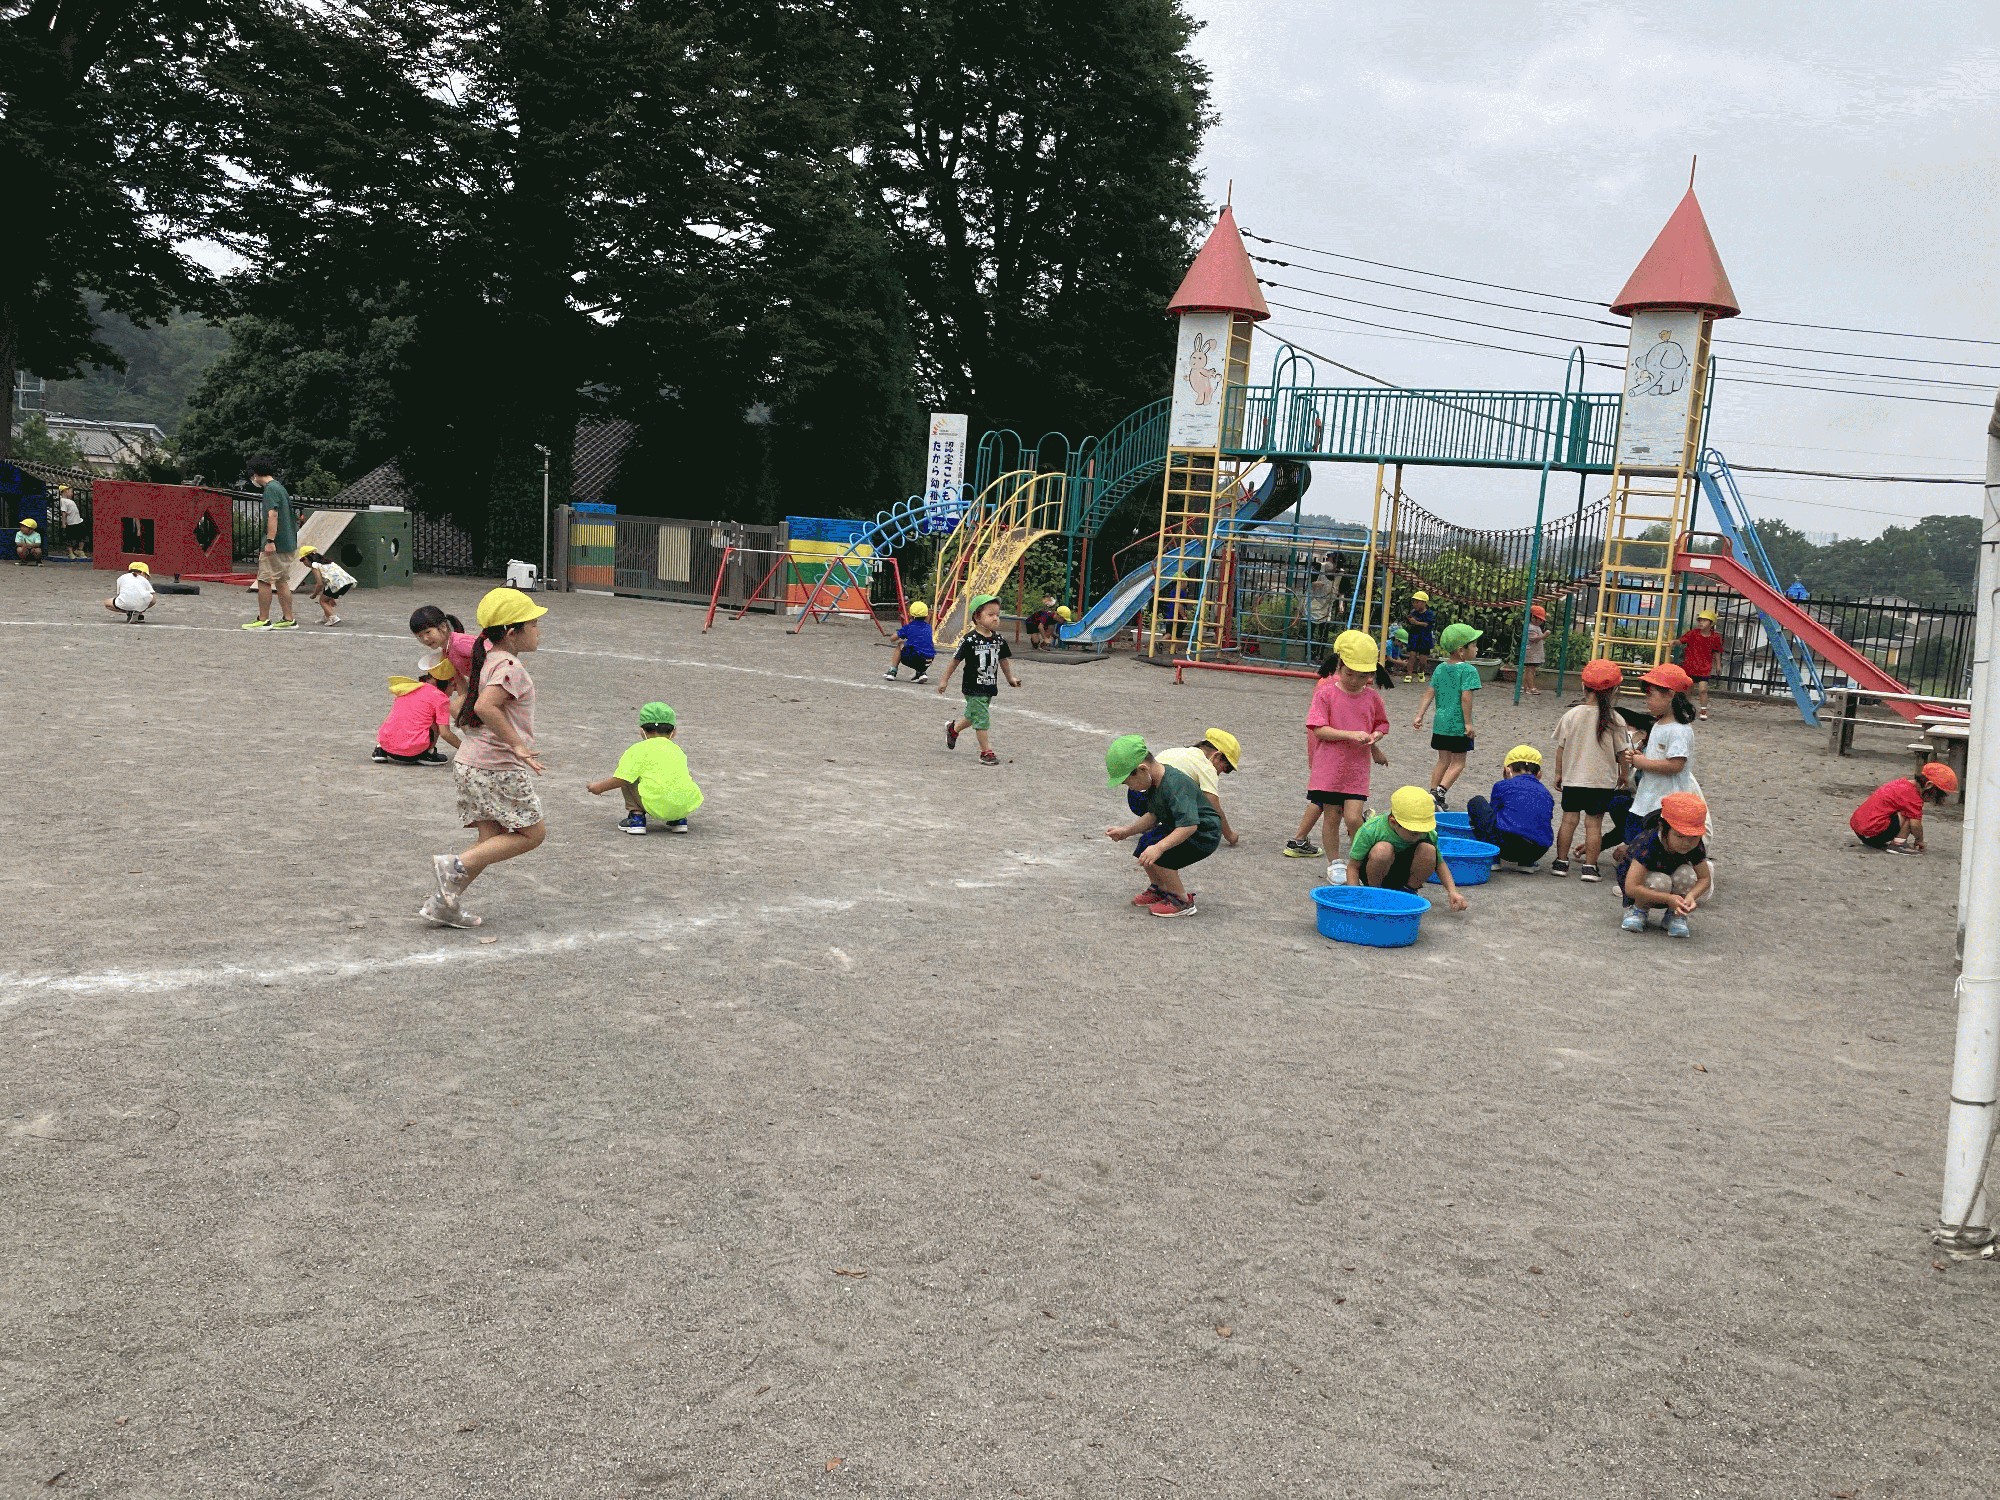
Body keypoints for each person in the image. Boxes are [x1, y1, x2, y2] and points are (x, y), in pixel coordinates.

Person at [425, 587, 548, 928]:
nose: (538, 631)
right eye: (533, 624)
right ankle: (455, 864)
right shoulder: (509, 666)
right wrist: (518, 745)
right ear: (511, 631)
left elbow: (466, 703)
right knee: (533, 834)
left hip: (470, 762)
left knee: (490, 841)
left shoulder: (487, 659)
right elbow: (484, 706)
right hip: (495, 766)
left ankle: (444, 904)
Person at [1287, 630, 1388, 858]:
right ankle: (1335, 864)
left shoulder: (1372, 697)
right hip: (1330, 767)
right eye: (1350, 674)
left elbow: (1381, 724)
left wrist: (1375, 739)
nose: (1354, 681)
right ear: (1339, 665)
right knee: (1331, 816)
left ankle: (1359, 860)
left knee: (1353, 818)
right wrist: (1350, 735)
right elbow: (1318, 729)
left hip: (1356, 769)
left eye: (1362, 677)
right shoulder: (1325, 693)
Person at [1104, 734, 1220, 918]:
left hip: (1204, 833)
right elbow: (1153, 815)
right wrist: (1127, 831)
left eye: (1127, 782)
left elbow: (1189, 826)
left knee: (1162, 854)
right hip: (1181, 826)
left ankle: (1182, 901)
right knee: (1146, 842)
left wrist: (1159, 848)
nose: (1130, 788)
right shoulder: (1153, 782)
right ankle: (1160, 888)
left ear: (1142, 769)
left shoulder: (1175, 784)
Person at [1549, 659, 1629, 881]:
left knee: (1568, 820)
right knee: (1594, 824)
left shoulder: (1572, 715)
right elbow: (1622, 753)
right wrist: (1624, 774)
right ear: (1614, 690)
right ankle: (1590, 867)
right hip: (1601, 782)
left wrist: (1559, 773)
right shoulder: (1616, 719)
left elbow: (1561, 748)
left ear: (1583, 687)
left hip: (1574, 778)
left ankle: (1561, 862)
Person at [1344, 785, 1469, 911]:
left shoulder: (1426, 833)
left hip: (1403, 874)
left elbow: (1440, 864)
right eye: (1414, 833)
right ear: (1393, 822)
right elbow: (1353, 867)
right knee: (1383, 849)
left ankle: (1408, 891)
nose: (1420, 835)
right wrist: (1355, 896)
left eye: (1423, 831)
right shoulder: (1371, 830)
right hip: (1374, 873)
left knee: (1429, 850)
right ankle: (1374, 893)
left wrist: (1452, 892)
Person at [587, 701, 704, 834]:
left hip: (655, 804)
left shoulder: (638, 749)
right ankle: (679, 820)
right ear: (674, 732)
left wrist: (599, 787)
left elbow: (622, 779)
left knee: (629, 776)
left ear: (642, 730)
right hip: (684, 805)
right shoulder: (677, 750)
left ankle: (636, 817)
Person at [1617, 663, 1700, 847]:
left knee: (1651, 848)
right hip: (1647, 798)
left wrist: (1643, 763)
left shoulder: (1678, 729)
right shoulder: (1659, 724)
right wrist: (1640, 757)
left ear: (1669, 694)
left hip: (1664, 803)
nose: (1647, 700)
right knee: (1634, 844)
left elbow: (1675, 765)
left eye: (1651, 694)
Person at [1130, 729, 1242, 857]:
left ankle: (1151, 823)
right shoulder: (1206, 767)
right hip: (1157, 800)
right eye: (1226, 768)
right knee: (1196, 809)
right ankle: (1169, 830)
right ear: (1217, 756)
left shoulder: (1174, 751)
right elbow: (1214, 808)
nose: (1222, 773)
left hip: (1135, 794)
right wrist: (1230, 835)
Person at [939, 594, 1021, 766]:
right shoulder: (969, 639)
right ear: (977, 616)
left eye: (997, 614)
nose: (995, 618)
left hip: (989, 686)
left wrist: (1010, 678)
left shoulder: (998, 639)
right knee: (982, 719)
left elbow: (1003, 660)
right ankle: (986, 752)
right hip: (973, 686)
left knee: (973, 716)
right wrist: (944, 680)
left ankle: (953, 730)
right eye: (990, 615)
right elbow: (955, 661)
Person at [1618, 791, 1713, 938]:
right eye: (1679, 836)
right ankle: (1638, 909)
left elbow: (1704, 878)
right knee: (1660, 881)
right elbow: (1631, 887)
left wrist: (1691, 896)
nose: (1687, 843)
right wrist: (1668, 899)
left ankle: (1676, 914)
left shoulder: (1694, 844)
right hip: (1646, 883)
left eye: (1694, 837)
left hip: (1672, 883)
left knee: (1687, 874)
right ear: (1663, 828)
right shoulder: (1647, 842)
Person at [1412, 621, 1482, 808]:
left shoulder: (1440, 668)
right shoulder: (1468, 670)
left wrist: (1420, 714)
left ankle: (1432, 794)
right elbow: (1466, 697)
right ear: (1461, 650)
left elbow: (1429, 692)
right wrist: (1468, 723)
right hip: (1457, 725)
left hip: (1440, 724)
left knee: (1443, 760)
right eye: (1474, 645)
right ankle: (1439, 793)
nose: (1476, 649)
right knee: (1459, 763)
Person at [1467, 745, 1555, 872]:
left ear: (1507, 770)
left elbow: (1492, 816)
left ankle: (1493, 858)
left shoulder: (1502, 786)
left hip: (1506, 846)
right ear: (1539, 774)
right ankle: (1527, 863)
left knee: (1477, 802)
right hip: (1537, 850)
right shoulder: (1546, 793)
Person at [242, 456, 299, 630]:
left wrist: (270, 540)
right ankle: (288, 618)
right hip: (288, 543)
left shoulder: (270, 490)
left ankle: (263, 619)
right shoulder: (280, 487)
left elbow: (272, 515)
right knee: (281, 581)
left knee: (264, 580)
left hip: (276, 544)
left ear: (255, 473)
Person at [1851, 762, 1957, 853]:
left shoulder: (1901, 783)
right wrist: (1919, 840)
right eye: (1938, 794)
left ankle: (1883, 840)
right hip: (1872, 833)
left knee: (1901, 810)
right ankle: (1898, 844)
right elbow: (1915, 825)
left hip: (1860, 830)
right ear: (1928, 785)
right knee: (1909, 815)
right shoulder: (1913, 797)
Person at [375, 662, 460, 765]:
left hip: (386, 746)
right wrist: (465, 749)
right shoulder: (441, 699)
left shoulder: (408, 688)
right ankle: (428, 753)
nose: (454, 691)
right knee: (437, 720)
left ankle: (379, 748)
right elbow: (445, 733)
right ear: (445, 683)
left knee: (399, 715)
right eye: (453, 686)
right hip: (413, 753)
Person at [1677, 609, 1725, 720]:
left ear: (1711, 623)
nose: (1701, 622)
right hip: (1690, 666)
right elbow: (1681, 641)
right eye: (1700, 620)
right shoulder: (1693, 633)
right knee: (1688, 689)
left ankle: (1703, 710)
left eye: (1704, 620)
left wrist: (1718, 665)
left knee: (1703, 690)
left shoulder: (1715, 637)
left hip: (1704, 668)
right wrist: (1675, 642)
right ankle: (1687, 709)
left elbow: (1716, 652)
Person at [411, 604, 477, 681]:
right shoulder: (447, 651)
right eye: (420, 636)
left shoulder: (459, 643)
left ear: (443, 626)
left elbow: (488, 655)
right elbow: (459, 680)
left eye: (428, 632)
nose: (425, 639)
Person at [297, 543, 358, 626]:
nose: (303, 563)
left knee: (322, 601)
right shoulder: (328, 562)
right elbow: (328, 581)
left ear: (307, 558)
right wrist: (331, 597)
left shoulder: (315, 566)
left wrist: (314, 594)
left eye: (302, 560)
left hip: (336, 584)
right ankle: (327, 616)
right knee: (326, 599)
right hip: (346, 582)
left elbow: (319, 584)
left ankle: (333, 618)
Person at [885, 600, 935, 682]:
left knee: (900, 644)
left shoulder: (909, 627)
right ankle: (921, 673)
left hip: (912, 659)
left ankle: (892, 671)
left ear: (910, 614)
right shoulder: (929, 628)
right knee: (924, 646)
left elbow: (892, 638)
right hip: (928, 660)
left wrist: (900, 633)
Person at [1402, 591, 1436, 682]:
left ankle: (1421, 672)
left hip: (1424, 637)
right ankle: (1409, 674)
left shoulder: (1429, 613)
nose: (1415, 604)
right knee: (1412, 655)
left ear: (1424, 603)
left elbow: (1427, 624)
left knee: (1422, 659)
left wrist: (1416, 622)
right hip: (1414, 636)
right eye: (1414, 602)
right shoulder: (1413, 612)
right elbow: (1409, 622)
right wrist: (1409, 621)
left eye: (1417, 602)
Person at [1522, 604, 1548, 695]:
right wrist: (1544, 635)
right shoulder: (1532, 628)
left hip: (1533, 653)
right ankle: (1531, 687)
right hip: (1531, 653)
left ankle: (1525, 687)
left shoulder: (1535, 627)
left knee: (1528, 670)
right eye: (1538, 619)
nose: (1540, 621)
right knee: (1530, 670)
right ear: (1532, 617)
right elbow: (1534, 639)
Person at [55, 486, 85, 556]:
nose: (72, 494)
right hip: (71, 522)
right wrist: (63, 523)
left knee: (81, 536)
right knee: (70, 538)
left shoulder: (69, 500)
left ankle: (79, 550)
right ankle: (70, 552)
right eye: (71, 492)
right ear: (65, 491)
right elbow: (64, 512)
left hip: (78, 521)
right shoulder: (63, 501)